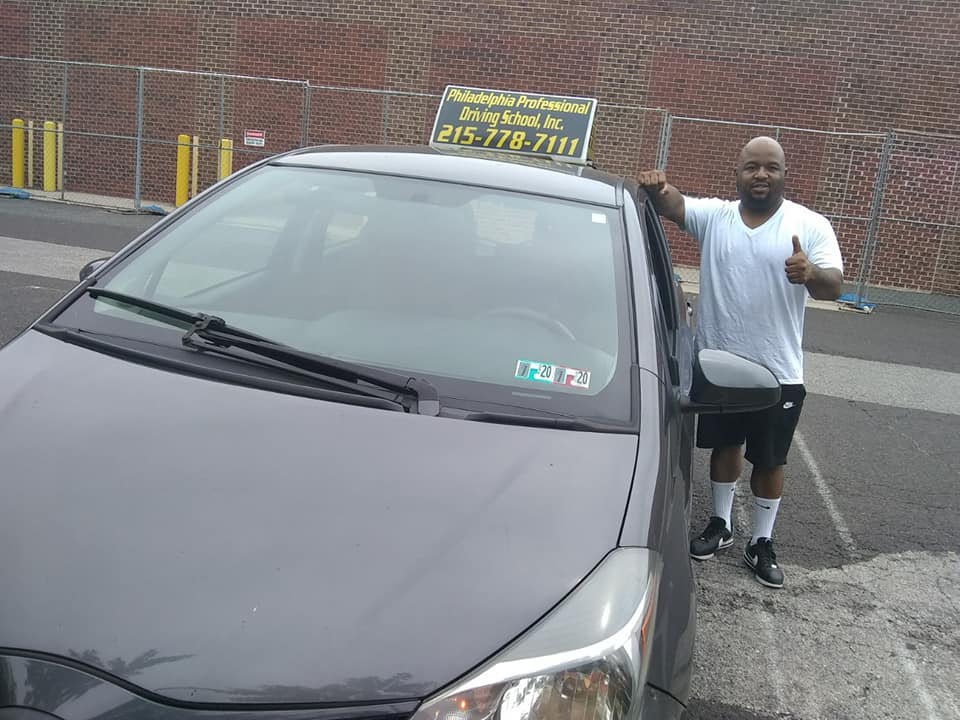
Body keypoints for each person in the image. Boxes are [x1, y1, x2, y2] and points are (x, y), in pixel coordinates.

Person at [638, 136, 844, 589]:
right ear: (738, 173)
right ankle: (721, 524)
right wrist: (658, 188)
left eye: (771, 167)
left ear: (784, 174)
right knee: (725, 448)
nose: (761, 175)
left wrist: (810, 273)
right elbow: (675, 205)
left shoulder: (810, 225)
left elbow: (833, 286)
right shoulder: (717, 217)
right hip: (720, 365)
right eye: (752, 167)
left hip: (778, 370)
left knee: (769, 460)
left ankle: (762, 541)